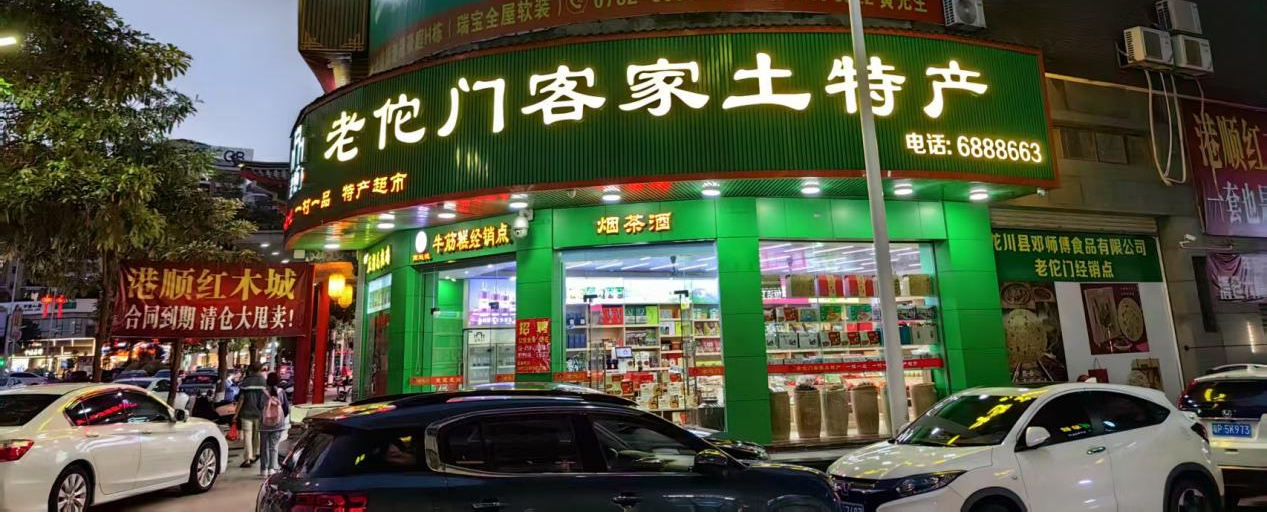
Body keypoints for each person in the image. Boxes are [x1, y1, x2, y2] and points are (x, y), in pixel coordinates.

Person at [235, 364, 268, 468]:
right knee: (256, 435)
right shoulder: (263, 382)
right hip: (259, 413)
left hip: (246, 413)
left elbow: (241, 399)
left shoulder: (246, 381)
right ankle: (255, 453)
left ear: (251, 370)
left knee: (247, 436)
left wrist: (236, 414)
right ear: (260, 369)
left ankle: (247, 459)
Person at [259, 372, 291, 477]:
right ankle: (272, 468)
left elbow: (259, 406)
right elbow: (286, 408)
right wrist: (280, 417)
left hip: (264, 424)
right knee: (273, 446)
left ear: (267, 381)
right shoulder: (281, 392)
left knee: (264, 446)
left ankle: (263, 469)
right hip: (278, 424)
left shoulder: (263, 393)